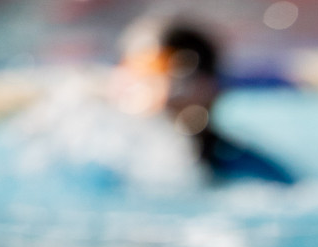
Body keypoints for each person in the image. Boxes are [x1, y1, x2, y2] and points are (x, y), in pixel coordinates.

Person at [113, 15, 295, 185]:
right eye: (127, 67)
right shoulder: (112, 153)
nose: (131, 82)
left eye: (149, 69)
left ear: (204, 85)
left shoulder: (249, 172)